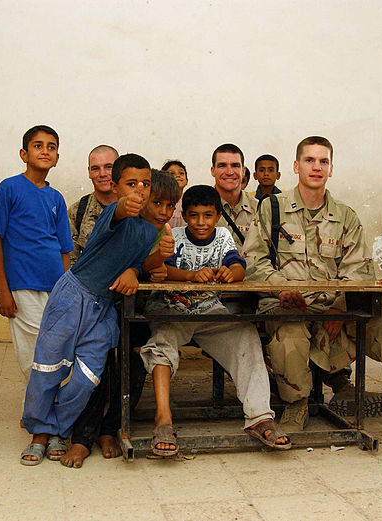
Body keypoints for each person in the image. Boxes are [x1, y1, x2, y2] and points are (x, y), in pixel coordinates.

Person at [244, 136, 382, 458]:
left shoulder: (346, 217)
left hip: (335, 312)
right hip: (287, 307)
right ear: (296, 166)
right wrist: (283, 288)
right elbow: (253, 262)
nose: (316, 167)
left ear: (331, 169)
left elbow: (359, 271)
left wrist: (340, 307)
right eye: (309, 160)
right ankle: (297, 405)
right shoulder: (271, 209)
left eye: (323, 161)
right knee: (288, 336)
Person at [20, 153, 158, 466]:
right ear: (116, 186)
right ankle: (38, 434)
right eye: (131, 183)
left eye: (145, 184)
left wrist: (136, 271)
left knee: (87, 378)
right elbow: (119, 212)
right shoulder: (112, 212)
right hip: (72, 297)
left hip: (103, 308)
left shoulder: (149, 232)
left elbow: (134, 262)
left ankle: (58, 427)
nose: (139, 190)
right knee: (48, 368)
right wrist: (123, 206)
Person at [141, 185, 291, 455]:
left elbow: (238, 266)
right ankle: (163, 420)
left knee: (246, 335)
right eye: (194, 215)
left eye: (208, 215)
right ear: (184, 216)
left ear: (218, 216)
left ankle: (260, 417)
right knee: (161, 345)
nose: (201, 222)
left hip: (211, 311)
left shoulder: (222, 237)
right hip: (172, 311)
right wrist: (189, 276)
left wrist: (231, 273)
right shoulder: (174, 236)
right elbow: (164, 269)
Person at [60, 169, 179, 469]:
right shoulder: (124, 223)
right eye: (156, 204)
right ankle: (82, 436)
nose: (163, 212)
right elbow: (109, 261)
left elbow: (150, 269)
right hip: (102, 307)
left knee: (133, 366)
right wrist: (135, 269)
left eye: (169, 206)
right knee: (96, 368)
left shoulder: (164, 234)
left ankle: (110, 429)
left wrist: (150, 269)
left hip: (138, 313)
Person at [0, 125, 73, 389]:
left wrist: (65, 291)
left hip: (54, 286)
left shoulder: (56, 198)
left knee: (54, 346)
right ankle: (39, 406)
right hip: (22, 284)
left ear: (57, 157)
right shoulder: (9, 188)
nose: (45, 151)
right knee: (32, 350)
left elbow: (64, 248)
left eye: (51, 147)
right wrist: (3, 289)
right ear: (24, 154)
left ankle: (41, 403)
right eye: (38, 146)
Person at [68, 145, 119, 264]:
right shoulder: (77, 211)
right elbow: (71, 262)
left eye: (108, 167)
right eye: (95, 168)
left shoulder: (135, 208)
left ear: (119, 170)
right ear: (89, 172)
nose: (102, 174)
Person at [211, 144, 257, 251]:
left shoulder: (259, 208)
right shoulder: (199, 205)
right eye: (222, 166)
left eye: (235, 166)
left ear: (243, 171)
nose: (229, 172)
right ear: (213, 171)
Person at [163, 159, 188, 228]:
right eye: (172, 173)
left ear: (187, 181)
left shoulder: (188, 201)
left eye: (181, 173)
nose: (177, 175)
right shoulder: (161, 202)